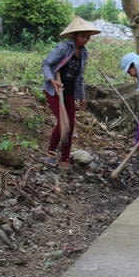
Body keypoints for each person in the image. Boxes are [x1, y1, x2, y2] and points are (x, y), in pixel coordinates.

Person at [41, 17, 101, 169]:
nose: (86, 40)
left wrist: (82, 97)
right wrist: (52, 80)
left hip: (69, 92)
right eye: (83, 36)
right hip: (54, 90)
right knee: (63, 123)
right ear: (75, 36)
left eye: (88, 37)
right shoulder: (63, 48)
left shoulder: (84, 53)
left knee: (70, 124)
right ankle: (50, 153)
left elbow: (79, 78)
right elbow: (46, 64)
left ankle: (65, 158)